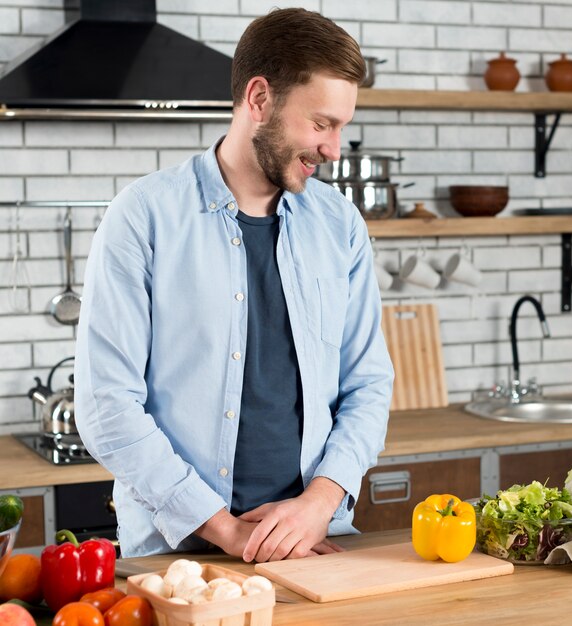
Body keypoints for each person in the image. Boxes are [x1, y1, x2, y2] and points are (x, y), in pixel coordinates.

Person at [74, 7, 393, 561]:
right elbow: (106, 405)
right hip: (180, 555)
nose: (334, 149)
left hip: (316, 545)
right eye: (321, 124)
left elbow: (367, 384)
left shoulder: (340, 225)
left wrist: (320, 502)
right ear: (259, 99)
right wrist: (228, 530)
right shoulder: (143, 217)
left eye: (342, 127)